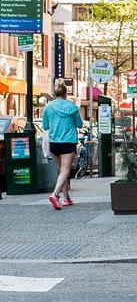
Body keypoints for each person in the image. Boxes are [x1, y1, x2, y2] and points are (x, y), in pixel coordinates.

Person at [43, 80, 83, 209]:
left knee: (61, 171)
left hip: (54, 142)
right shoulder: (72, 107)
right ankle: (55, 195)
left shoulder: (48, 107)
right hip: (68, 141)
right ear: (66, 93)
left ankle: (67, 198)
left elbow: (45, 126)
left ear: (54, 94)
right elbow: (80, 124)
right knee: (65, 170)